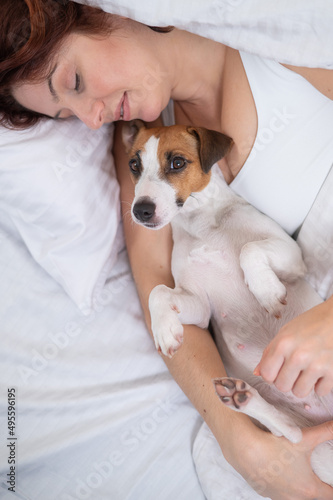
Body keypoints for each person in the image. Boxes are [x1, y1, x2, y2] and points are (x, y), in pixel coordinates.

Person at [1, 1, 333, 498]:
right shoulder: (139, 144)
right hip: (283, 383)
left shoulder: (278, 41)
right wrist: (238, 439)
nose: (91, 119)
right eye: (69, 114)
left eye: (72, 82)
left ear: (101, 10)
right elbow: (159, 283)